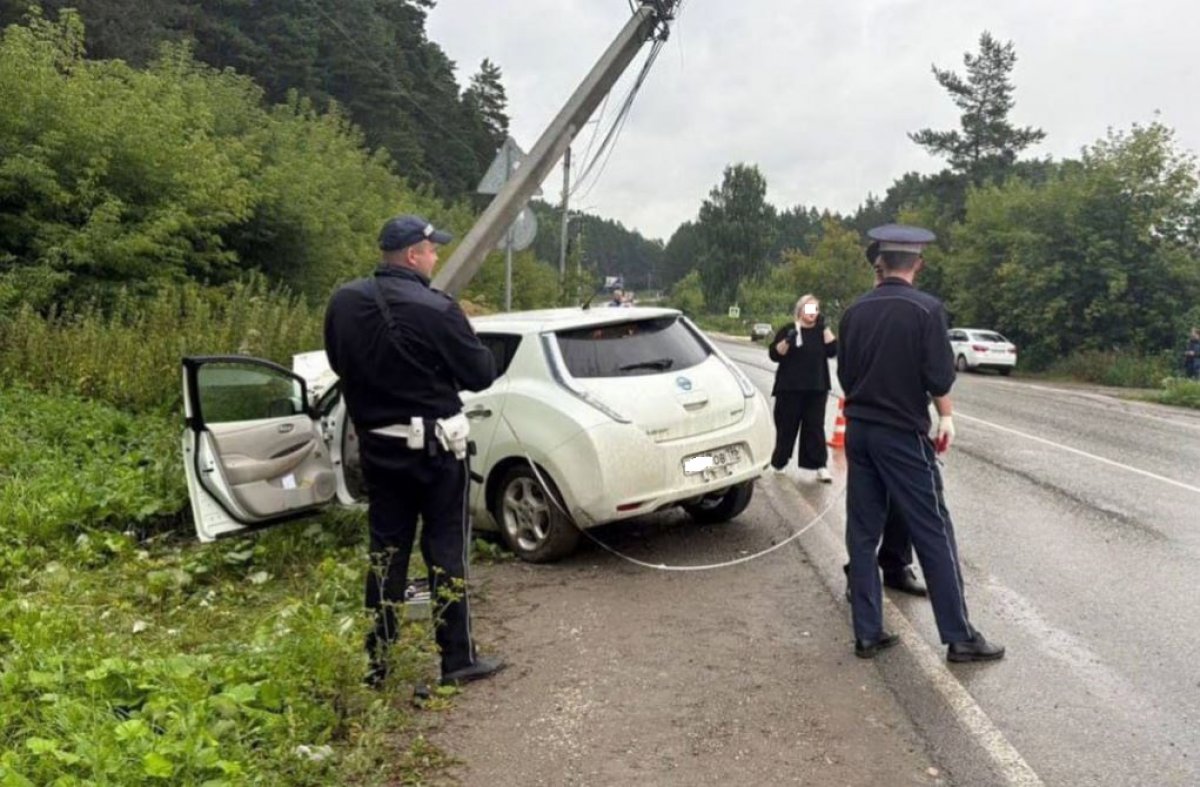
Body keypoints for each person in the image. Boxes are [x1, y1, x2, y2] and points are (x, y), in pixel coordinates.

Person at [324, 214, 505, 688]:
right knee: (446, 549)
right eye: (431, 249)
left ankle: (378, 664)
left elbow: (337, 361)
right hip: (436, 452)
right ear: (411, 255)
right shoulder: (437, 309)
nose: (436, 255)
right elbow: (481, 373)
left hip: (378, 450)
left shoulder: (344, 303)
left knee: (385, 554)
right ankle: (457, 660)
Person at [837, 224, 1004, 663]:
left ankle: (867, 632)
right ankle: (959, 635)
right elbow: (938, 377)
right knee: (933, 530)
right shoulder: (927, 311)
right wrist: (944, 416)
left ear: (881, 265)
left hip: (859, 431)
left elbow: (846, 378)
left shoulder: (854, 312)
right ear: (918, 264)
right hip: (902, 435)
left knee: (862, 530)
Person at [768, 295, 836, 482]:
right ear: (800, 310)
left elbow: (832, 350)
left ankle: (820, 466)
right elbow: (775, 354)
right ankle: (779, 462)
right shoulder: (789, 330)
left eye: (815, 309)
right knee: (786, 426)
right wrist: (788, 341)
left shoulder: (820, 331)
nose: (812, 313)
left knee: (815, 427)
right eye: (808, 309)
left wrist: (825, 327)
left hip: (816, 387)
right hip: (790, 388)